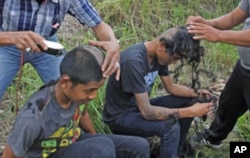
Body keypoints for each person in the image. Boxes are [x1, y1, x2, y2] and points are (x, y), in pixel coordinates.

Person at [1, 45, 150, 158]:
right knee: (102, 149)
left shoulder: (75, 94)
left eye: (97, 89)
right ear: (66, 82)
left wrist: (93, 136)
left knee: (139, 146)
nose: (93, 96)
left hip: (69, 142)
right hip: (46, 154)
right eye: (90, 90)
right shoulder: (33, 118)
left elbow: (82, 112)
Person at [102, 26, 215, 158]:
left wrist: (196, 94)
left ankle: (178, 152)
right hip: (120, 117)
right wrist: (191, 112)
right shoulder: (134, 61)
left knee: (189, 101)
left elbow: (171, 87)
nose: (173, 63)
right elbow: (147, 112)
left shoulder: (159, 56)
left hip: (138, 107)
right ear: (162, 45)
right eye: (175, 58)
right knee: (170, 127)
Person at [0, 0, 120, 100]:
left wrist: (112, 42)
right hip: (7, 45)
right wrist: (12, 37)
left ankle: (75, 126)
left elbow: (99, 26)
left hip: (47, 46)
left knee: (71, 90)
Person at [186, 0, 250, 149]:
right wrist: (208, 24)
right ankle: (212, 139)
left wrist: (219, 35)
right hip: (244, 67)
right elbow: (234, 18)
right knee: (228, 104)